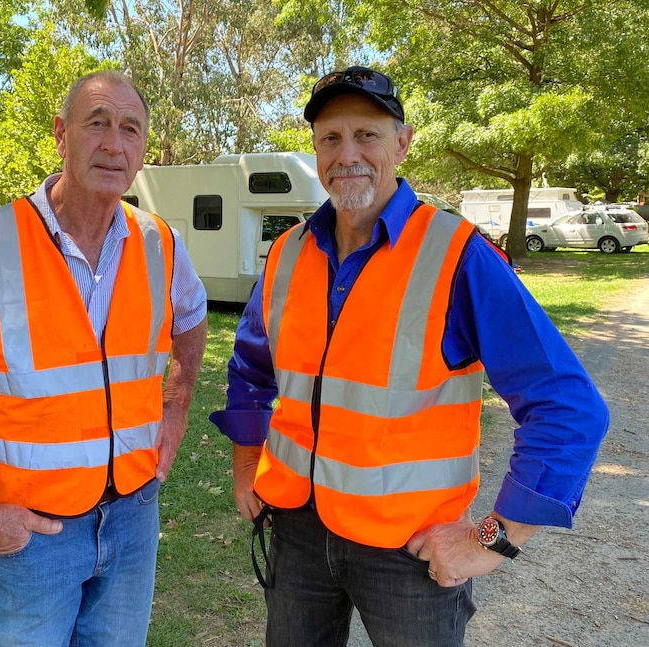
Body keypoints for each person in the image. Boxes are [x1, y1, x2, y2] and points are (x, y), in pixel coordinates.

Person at [209, 66, 608, 647]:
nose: (347, 154)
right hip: (297, 532)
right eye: (330, 138)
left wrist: (491, 538)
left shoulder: (457, 256)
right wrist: (248, 463)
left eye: (367, 135)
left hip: (411, 551)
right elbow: (251, 371)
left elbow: (570, 408)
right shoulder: (287, 254)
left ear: (402, 141)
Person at [0, 70, 208, 646]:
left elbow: (190, 315)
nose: (114, 143)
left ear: (142, 150)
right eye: (98, 124)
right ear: (61, 134)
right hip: (35, 535)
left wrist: (178, 401)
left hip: (135, 518)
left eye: (130, 129)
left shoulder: (159, 241)